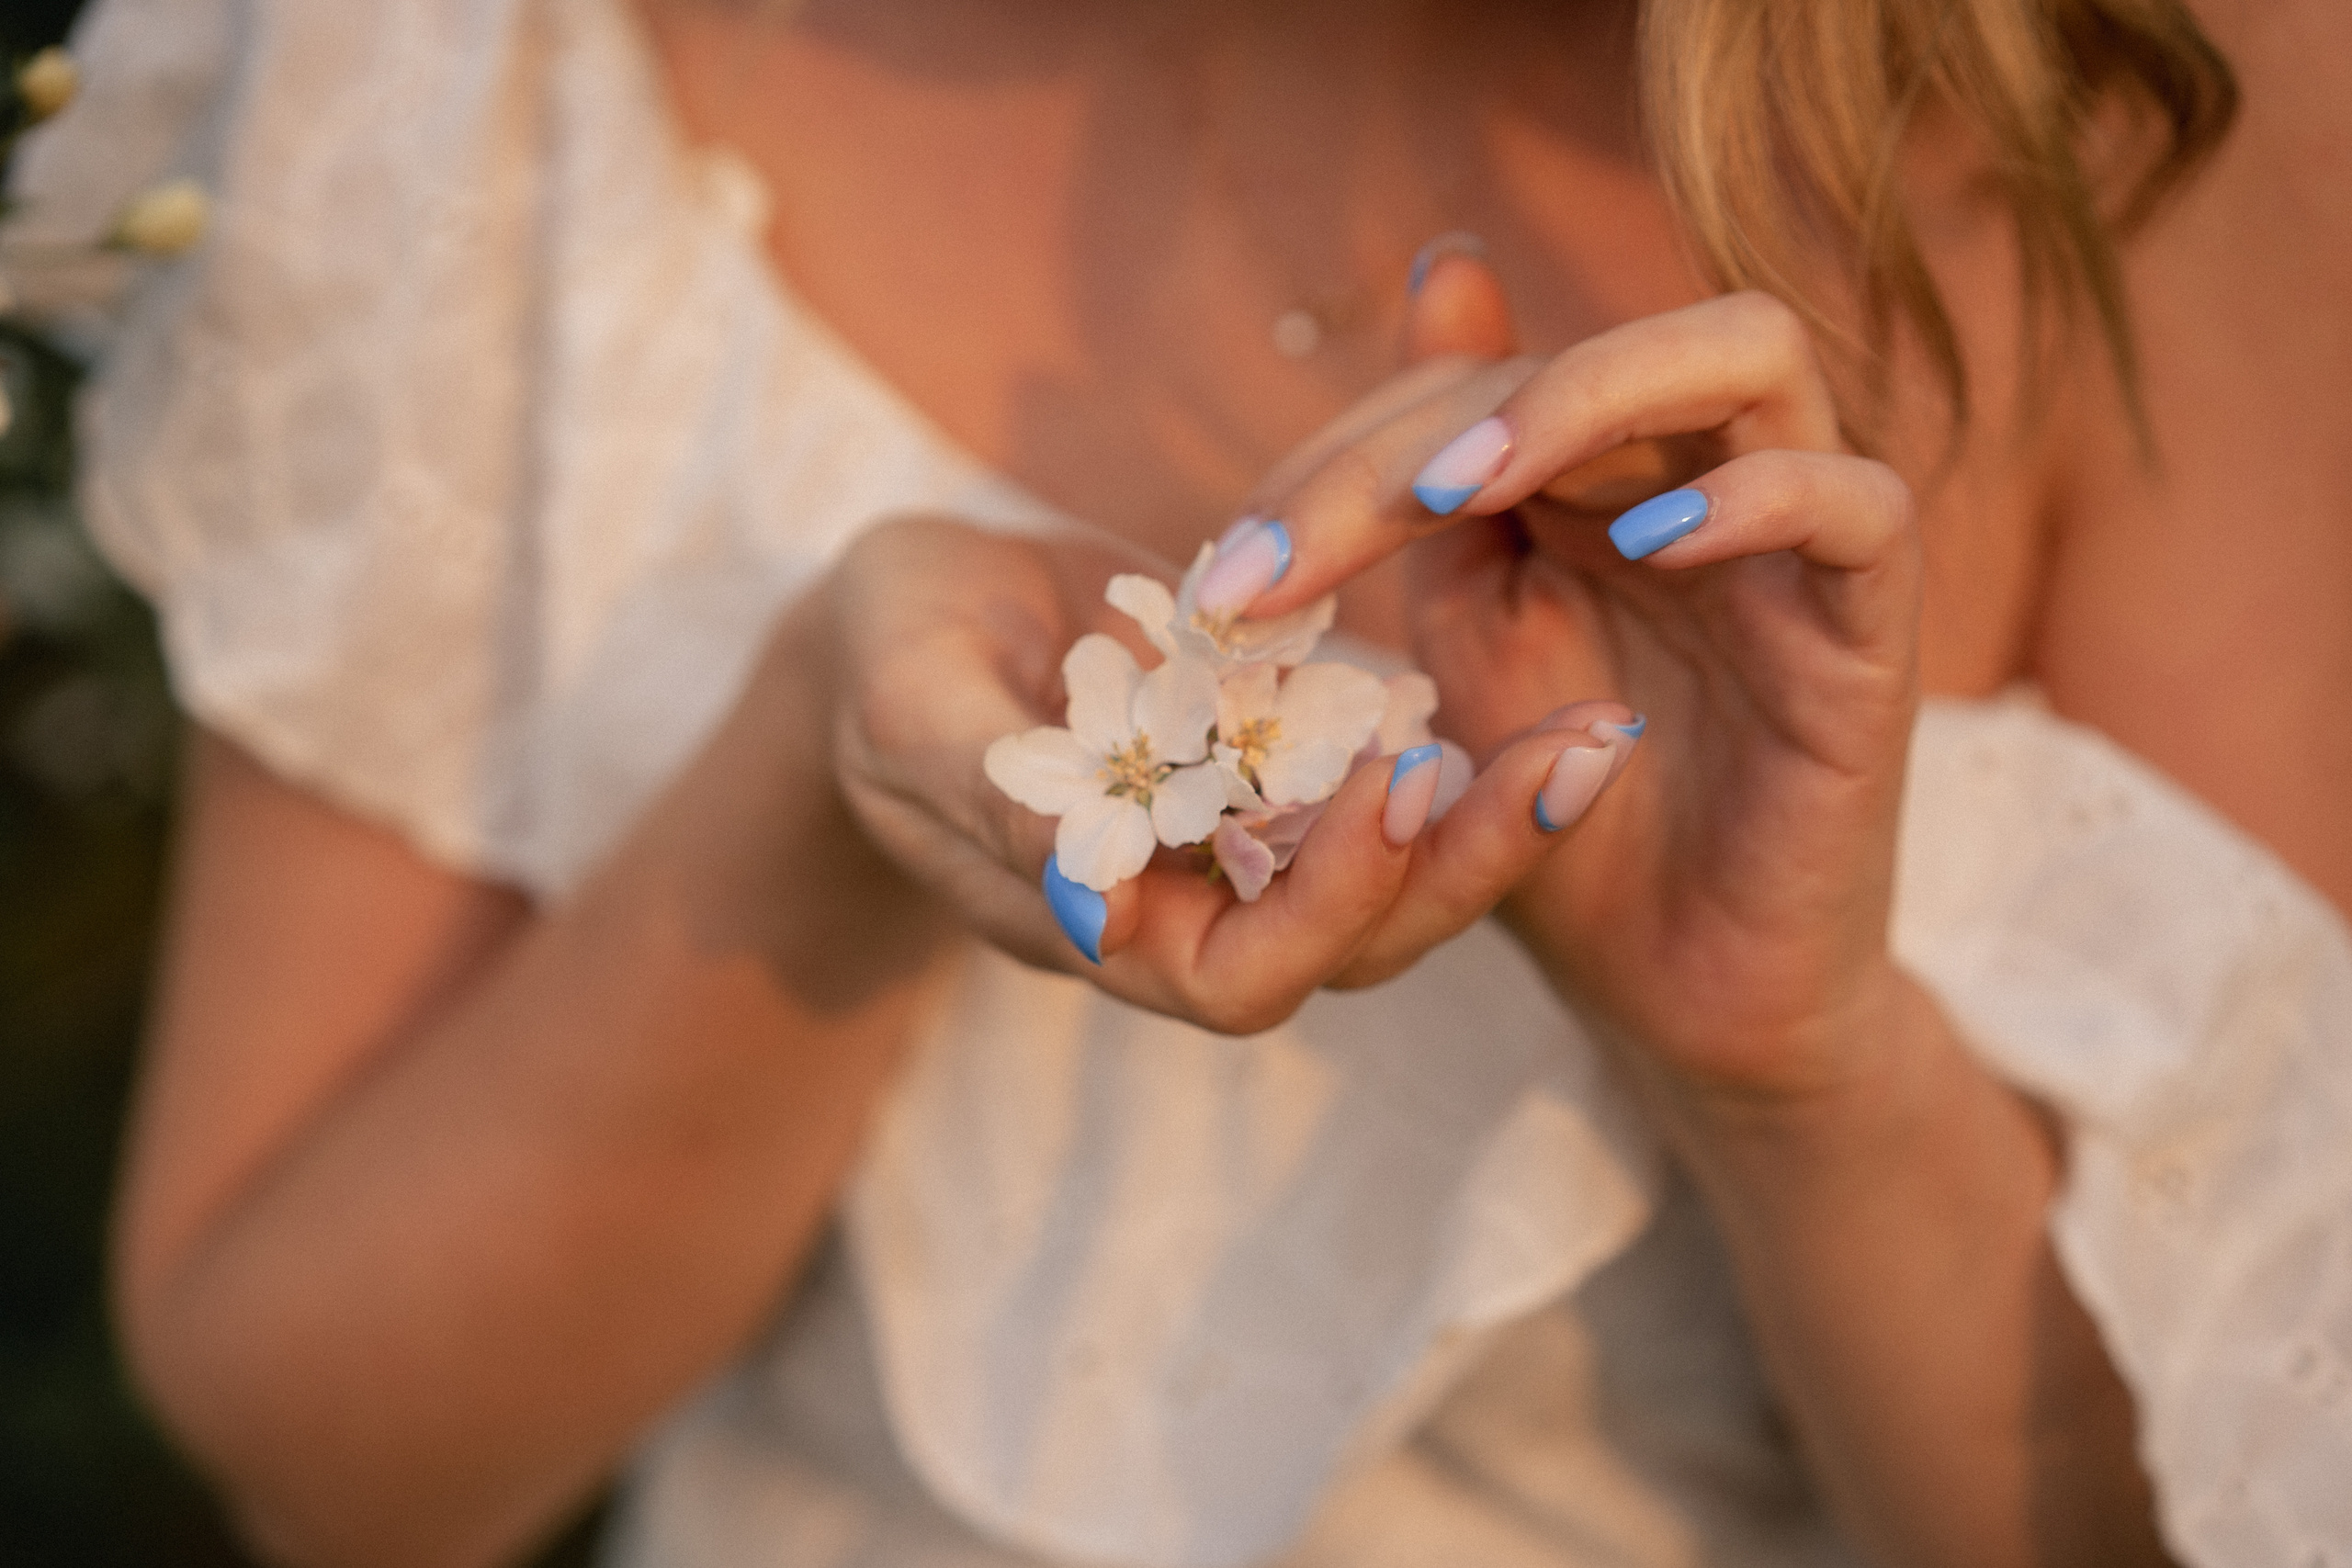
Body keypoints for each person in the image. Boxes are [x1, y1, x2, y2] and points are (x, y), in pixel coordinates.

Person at [8, 0, 2346, 1563]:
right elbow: (324, 1446)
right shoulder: (495, 58)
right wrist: (815, 794)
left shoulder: (2149, 118)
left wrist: (1795, 1066)